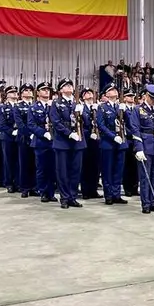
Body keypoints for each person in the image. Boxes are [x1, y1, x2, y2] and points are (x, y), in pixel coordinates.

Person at [132, 84, 154, 214]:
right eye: (152, 98)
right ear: (146, 95)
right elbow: (135, 130)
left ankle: (153, 202)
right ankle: (145, 204)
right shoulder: (138, 110)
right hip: (145, 146)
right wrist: (138, 148)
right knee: (145, 177)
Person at [50, 79, 85, 209]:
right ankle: (64, 197)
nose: (69, 87)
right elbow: (56, 122)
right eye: (66, 86)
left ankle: (72, 197)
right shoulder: (56, 104)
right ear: (60, 90)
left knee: (75, 170)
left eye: (71, 85)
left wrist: (83, 113)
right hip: (62, 141)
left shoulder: (77, 103)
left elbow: (84, 122)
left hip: (77, 142)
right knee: (62, 171)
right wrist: (69, 133)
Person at [95, 83, 130, 206]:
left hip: (121, 143)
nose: (114, 91)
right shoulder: (102, 108)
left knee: (118, 170)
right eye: (111, 90)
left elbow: (129, 123)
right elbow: (101, 125)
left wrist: (126, 111)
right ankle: (108, 195)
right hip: (108, 143)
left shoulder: (120, 107)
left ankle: (117, 194)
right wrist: (113, 136)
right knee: (107, 169)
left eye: (115, 89)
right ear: (106, 94)